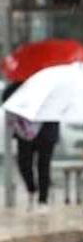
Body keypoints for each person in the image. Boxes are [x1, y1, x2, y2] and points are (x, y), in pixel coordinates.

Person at [3, 81, 59, 212]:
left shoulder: (51, 83)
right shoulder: (18, 84)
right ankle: (32, 188)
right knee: (24, 163)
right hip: (24, 130)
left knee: (43, 165)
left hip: (47, 129)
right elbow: (6, 98)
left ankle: (43, 200)